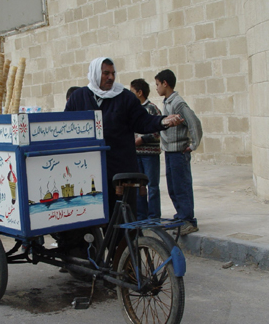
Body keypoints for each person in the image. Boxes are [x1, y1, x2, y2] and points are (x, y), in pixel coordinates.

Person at [65, 57, 182, 219]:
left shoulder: (125, 97)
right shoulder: (78, 97)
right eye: (106, 73)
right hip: (88, 172)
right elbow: (66, 127)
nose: (111, 77)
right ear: (95, 73)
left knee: (123, 219)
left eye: (113, 73)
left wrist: (162, 121)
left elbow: (142, 121)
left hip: (120, 171)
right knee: (91, 219)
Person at [155, 69, 203, 234]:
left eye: (157, 84)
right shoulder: (167, 103)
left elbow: (194, 122)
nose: (156, 88)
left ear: (165, 83)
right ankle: (181, 216)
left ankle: (188, 220)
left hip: (178, 152)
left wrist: (193, 145)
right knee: (173, 187)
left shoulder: (177, 103)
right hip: (169, 151)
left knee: (182, 186)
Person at [130, 78, 162, 220]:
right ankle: (141, 216)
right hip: (136, 154)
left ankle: (154, 216)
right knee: (138, 185)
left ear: (140, 93)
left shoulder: (152, 109)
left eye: (132, 92)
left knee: (152, 186)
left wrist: (142, 140)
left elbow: (158, 131)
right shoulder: (131, 110)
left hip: (150, 155)